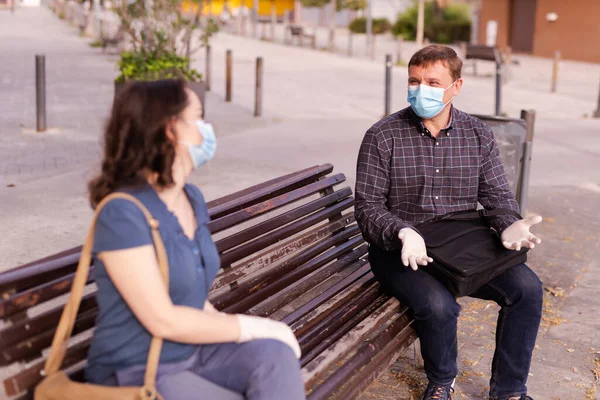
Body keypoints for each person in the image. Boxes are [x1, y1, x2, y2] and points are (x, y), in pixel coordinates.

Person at [86, 79, 306, 400]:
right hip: (136, 370)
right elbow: (162, 320)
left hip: (193, 352)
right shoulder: (122, 214)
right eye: (198, 118)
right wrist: (249, 327)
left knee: (274, 358)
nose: (206, 129)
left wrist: (246, 331)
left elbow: (189, 293)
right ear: (169, 130)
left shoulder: (191, 196)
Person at [354, 45, 543, 400]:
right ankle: (442, 381)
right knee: (439, 305)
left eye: (432, 82)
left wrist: (507, 224)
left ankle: (509, 392)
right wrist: (401, 230)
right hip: (403, 251)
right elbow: (367, 206)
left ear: (456, 86)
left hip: (461, 245)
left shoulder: (477, 135)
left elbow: (498, 197)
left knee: (528, 290)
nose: (420, 89)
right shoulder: (383, 136)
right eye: (414, 81)